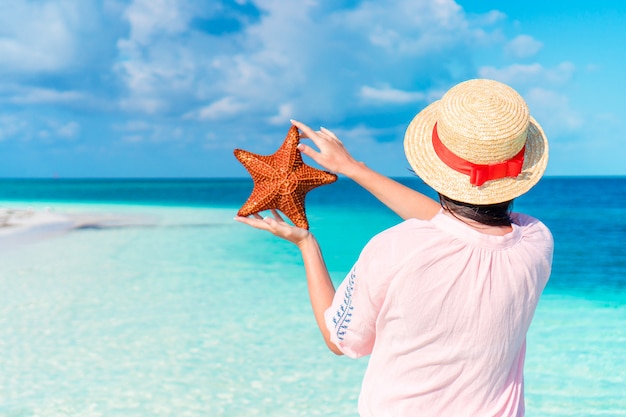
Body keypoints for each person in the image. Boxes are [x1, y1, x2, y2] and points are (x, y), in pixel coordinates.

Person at [235, 79, 553, 416]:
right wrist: (352, 169)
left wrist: (306, 244)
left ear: (432, 167)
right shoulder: (537, 240)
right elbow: (461, 230)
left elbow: (339, 340)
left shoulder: (395, 248)